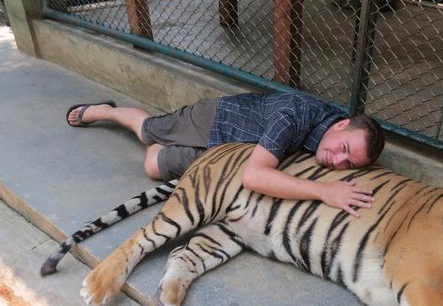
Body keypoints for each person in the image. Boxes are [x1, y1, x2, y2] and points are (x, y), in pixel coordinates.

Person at [66, 93, 385, 217]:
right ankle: (104, 111)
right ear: (341, 124)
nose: (338, 161)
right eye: (343, 149)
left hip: (231, 153)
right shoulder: (296, 114)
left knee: (152, 165)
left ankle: (165, 142)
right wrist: (323, 190)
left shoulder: (329, 133)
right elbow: (254, 176)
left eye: (349, 163)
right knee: (147, 131)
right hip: (215, 120)